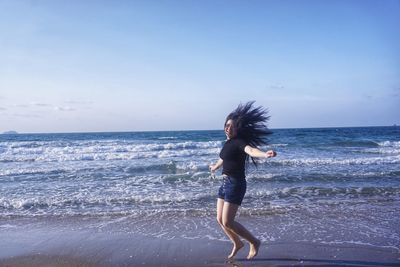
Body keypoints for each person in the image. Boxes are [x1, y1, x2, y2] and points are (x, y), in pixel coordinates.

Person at [209, 101, 277, 260]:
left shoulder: (239, 142)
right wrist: (214, 167)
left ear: (237, 129)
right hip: (225, 184)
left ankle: (254, 242)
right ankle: (237, 243)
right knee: (220, 220)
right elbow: (223, 159)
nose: (228, 128)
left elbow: (251, 150)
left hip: (236, 184)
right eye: (227, 125)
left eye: (232, 126)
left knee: (228, 221)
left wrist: (264, 154)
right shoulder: (227, 143)